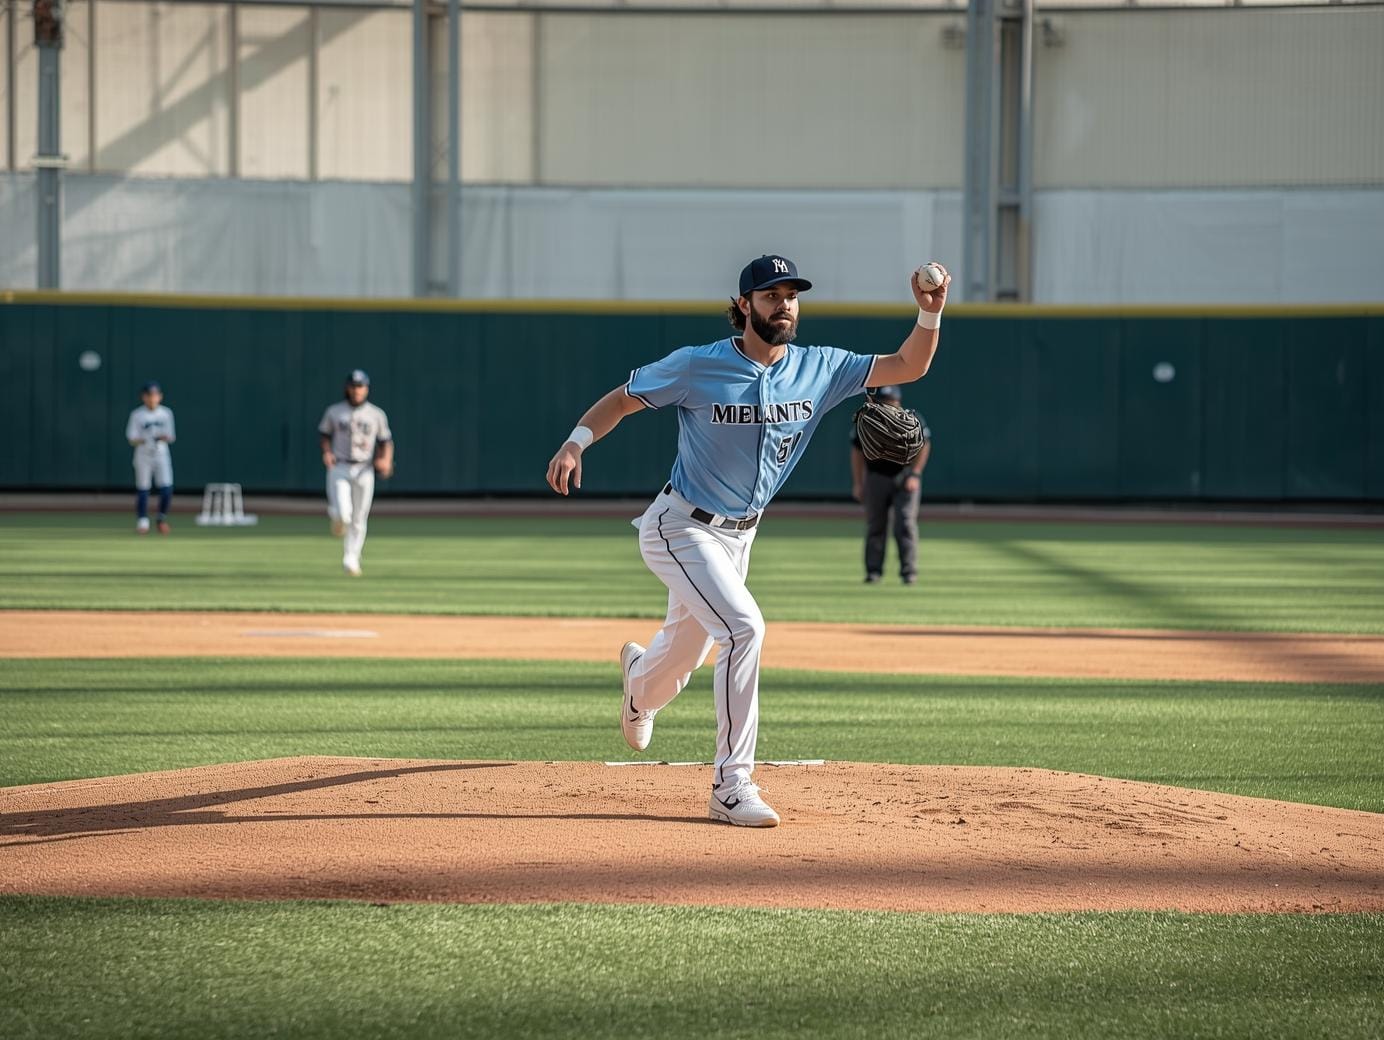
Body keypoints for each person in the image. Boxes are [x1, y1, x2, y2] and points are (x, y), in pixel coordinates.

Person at [546, 254, 950, 827]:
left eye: (791, 295)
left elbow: (909, 365)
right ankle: (731, 786)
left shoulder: (820, 368)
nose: (783, 304)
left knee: (683, 657)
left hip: (739, 538)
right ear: (743, 306)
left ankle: (639, 687)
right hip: (680, 526)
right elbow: (623, 397)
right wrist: (575, 442)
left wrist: (929, 313)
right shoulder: (696, 366)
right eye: (770, 295)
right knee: (743, 628)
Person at [850, 385, 932, 585]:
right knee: (876, 525)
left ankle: (909, 572)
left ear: (898, 400)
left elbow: (925, 445)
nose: (889, 404)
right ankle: (873, 572)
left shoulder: (912, 419)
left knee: (905, 524)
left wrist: (915, 473)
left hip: (905, 477)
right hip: (877, 476)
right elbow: (857, 451)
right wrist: (859, 482)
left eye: (892, 400)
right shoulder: (869, 420)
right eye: (885, 401)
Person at [318, 369, 394, 577]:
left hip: (365, 468)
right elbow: (324, 435)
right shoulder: (335, 411)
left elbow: (385, 441)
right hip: (340, 465)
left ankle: (351, 557)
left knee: (359, 517)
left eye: (361, 386)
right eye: (354, 386)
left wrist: (386, 460)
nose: (357, 390)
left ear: (366, 388)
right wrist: (326, 452)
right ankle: (337, 517)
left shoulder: (376, 414)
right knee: (344, 512)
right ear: (347, 388)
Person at [125, 381, 175, 535]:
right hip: (143, 455)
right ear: (143, 397)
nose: (152, 399)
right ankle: (143, 521)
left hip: (161, 454)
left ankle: (161, 519)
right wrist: (144, 439)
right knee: (143, 489)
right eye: (149, 395)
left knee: (166, 488)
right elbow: (131, 438)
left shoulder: (166, 413)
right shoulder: (137, 414)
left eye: (155, 395)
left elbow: (171, 436)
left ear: (160, 397)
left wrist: (161, 437)